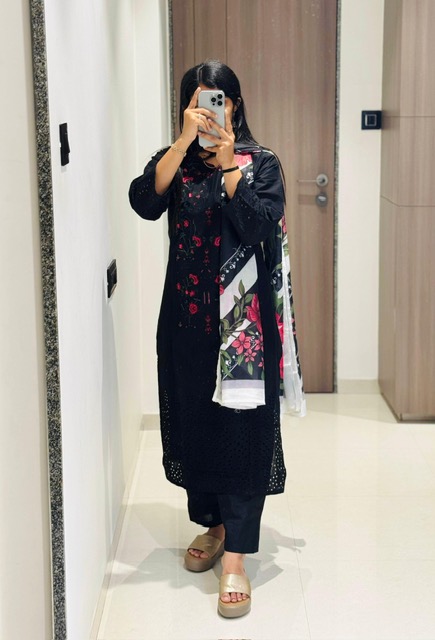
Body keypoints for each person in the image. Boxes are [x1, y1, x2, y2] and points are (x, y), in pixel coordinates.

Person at [129, 60, 305, 618]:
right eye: (200, 101)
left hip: (243, 335)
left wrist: (229, 163)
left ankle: (236, 557)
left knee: (243, 436)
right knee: (197, 427)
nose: (210, 111)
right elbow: (144, 201)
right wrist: (183, 142)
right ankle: (213, 524)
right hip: (186, 326)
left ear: (236, 104)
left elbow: (258, 225)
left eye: (219, 100)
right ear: (186, 106)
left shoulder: (260, 163)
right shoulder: (175, 163)